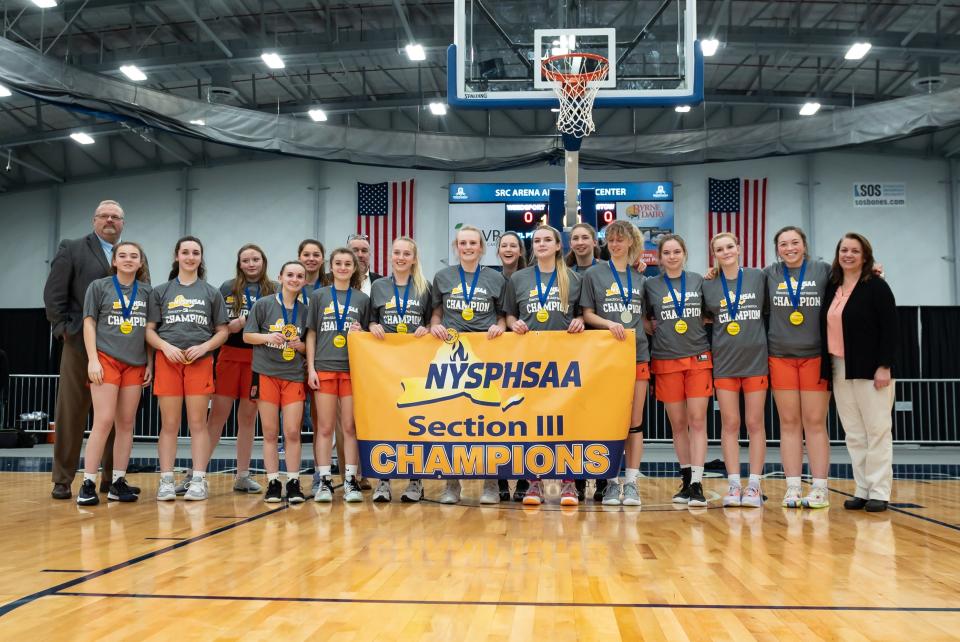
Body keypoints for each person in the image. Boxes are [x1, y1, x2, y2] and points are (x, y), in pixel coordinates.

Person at [43, 199, 131, 500]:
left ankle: (109, 478)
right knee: (72, 410)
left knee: (114, 415)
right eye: (104, 216)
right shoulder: (72, 248)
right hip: (81, 343)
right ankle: (63, 479)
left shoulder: (128, 254)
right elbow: (54, 294)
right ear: (94, 221)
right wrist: (64, 330)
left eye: (116, 217)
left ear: (122, 223)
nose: (110, 221)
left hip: (120, 345)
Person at [503, 225, 584, 506]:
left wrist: (581, 322)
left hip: (564, 360)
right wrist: (516, 324)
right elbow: (510, 317)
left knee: (566, 420)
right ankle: (533, 482)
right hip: (529, 359)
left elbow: (582, 316)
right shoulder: (519, 279)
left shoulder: (573, 278)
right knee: (531, 421)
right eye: (537, 240)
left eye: (547, 240)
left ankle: (568, 483)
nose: (541, 244)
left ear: (559, 245)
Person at [146, 236, 229, 501]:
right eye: (185, 252)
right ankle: (167, 480)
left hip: (199, 362)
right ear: (177, 256)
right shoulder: (160, 291)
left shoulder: (210, 292)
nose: (190, 257)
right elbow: (149, 331)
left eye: (195, 252)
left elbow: (223, 331)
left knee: (197, 424)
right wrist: (164, 347)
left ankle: (198, 479)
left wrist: (205, 347)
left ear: (201, 258)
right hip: (169, 362)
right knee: (169, 424)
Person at [430, 224, 507, 504]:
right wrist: (435, 326)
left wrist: (500, 327)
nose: (468, 247)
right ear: (456, 246)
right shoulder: (442, 277)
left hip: (485, 356)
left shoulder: (496, 279)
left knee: (488, 420)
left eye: (473, 243)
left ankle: (490, 484)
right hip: (453, 356)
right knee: (453, 420)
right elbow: (436, 313)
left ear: (481, 247)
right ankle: (452, 484)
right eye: (463, 243)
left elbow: (503, 315)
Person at [192, 244, 276, 496]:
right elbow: (216, 325)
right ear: (239, 264)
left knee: (248, 418)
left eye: (255, 259)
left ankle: (243, 475)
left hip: (259, 358)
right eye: (246, 260)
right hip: (228, 356)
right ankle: (198, 474)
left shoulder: (274, 290)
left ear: (263, 261)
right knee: (217, 416)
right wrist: (232, 325)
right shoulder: (227, 288)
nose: (251, 264)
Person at [822, 233, 898, 512]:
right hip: (840, 366)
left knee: (877, 431)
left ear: (865, 256)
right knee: (853, 433)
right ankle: (863, 489)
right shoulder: (832, 286)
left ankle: (880, 491)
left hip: (871, 368)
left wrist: (884, 366)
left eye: (855, 250)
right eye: (844, 250)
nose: (848, 255)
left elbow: (890, 328)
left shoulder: (876, 286)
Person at [76, 242, 152, 505]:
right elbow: (89, 323)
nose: (129, 259)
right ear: (115, 261)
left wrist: (150, 363)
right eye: (123, 255)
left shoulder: (147, 292)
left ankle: (117, 482)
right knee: (104, 420)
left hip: (135, 363)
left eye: (134, 256)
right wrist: (93, 360)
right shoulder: (99, 287)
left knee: (126, 423)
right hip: (106, 359)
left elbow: (149, 331)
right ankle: (87, 482)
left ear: (141, 262)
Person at [581, 220, 650, 507]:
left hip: (638, 354)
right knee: (610, 421)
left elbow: (647, 318)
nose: (616, 244)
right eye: (611, 240)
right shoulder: (594, 274)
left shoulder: (641, 278)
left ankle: (631, 482)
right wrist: (609, 324)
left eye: (621, 239)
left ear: (631, 242)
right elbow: (586, 314)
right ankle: (610, 481)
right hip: (607, 356)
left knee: (634, 422)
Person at [764, 226, 833, 509]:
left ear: (804, 245)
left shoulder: (824, 270)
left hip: (815, 356)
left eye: (794, 242)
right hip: (780, 356)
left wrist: (874, 270)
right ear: (777, 249)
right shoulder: (769, 274)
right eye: (783, 244)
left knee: (815, 423)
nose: (789, 248)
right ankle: (792, 486)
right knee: (789, 423)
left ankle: (819, 488)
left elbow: (853, 282)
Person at [645, 234, 712, 508]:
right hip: (666, 359)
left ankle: (697, 481)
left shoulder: (700, 281)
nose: (672, 257)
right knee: (678, 424)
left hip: (697, 357)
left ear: (684, 254)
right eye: (667, 253)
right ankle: (685, 477)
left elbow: (712, 312)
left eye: (676, 252)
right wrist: (649, 325)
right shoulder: (649, 285)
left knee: (697, 421)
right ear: (659, 258)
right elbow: (641, 316)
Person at [702, 233, 769, 508]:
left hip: (756, 361)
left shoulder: (758, 277)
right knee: (729, 424)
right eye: (720, 249)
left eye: (730, 246)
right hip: (726, 363)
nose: (726, 251)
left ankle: (753, 484)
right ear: (714, 254)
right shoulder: (708, 285)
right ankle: (733, 483)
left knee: (755, 423)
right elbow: (706, 316)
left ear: (739, 249)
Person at [368, 237, 433, 502]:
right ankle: (383, 481)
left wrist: (427, 328)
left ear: (414, 259)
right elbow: (370, 319)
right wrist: (372, 326)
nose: (401, 257)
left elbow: (433, 321)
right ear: (391, 256)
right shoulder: (379, 286)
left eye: (407, 253)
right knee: (388, 420)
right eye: (397, 253)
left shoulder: (424, 287)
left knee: (414, 421)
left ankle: (415, 480)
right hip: (386, 365)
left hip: (415, 363)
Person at [305, 248, 371, 502]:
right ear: (331, 267)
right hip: (324, 367)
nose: (343, 267)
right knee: (324, 427)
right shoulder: (319, 296)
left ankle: (351, 480)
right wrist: (311, 368)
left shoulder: (361, 300)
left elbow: (367, 335)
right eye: (338, 263)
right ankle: (324, 480)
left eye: (347, 263)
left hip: (352, 369)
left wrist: (360, 330)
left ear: (355, 268)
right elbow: (311, 334)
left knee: (350, 427)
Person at [244, 260, 310, 504]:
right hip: (266, 373)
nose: (294, 279)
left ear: (304, 281)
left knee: (292, 431)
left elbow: (308, 345)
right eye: (290, 274)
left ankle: (293, 481)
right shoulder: (263, 305)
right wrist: (267, 336)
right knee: (270, 432)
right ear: (280, 277)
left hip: (293, 375)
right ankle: (273, 481)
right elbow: (247, 335)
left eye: (299, 276)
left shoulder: (305, 311)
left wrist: (300, 346)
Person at [345, 233, 381, 491]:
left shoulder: (381, 284)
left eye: (364, 250)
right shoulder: (334, 284)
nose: (360, 254)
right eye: (355, 250)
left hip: (374, 361)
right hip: (339, 358)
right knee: (343, 421)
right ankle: (347, 474)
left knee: (369, 416)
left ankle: (367, 471)